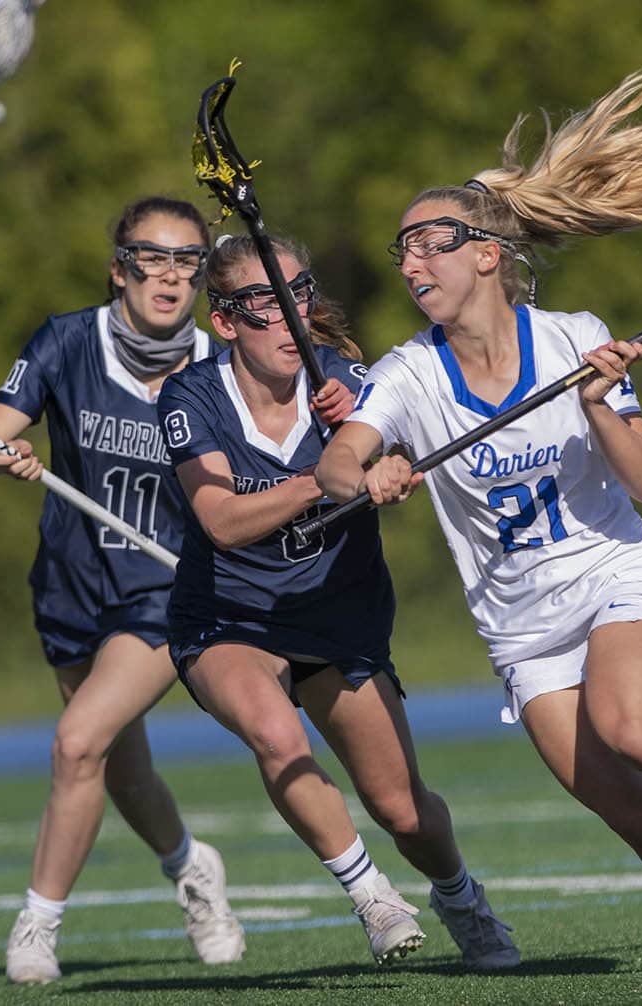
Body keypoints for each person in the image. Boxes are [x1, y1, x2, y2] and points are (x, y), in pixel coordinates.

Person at [315, 69, 642, 971]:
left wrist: (600, 404)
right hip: (521, 627)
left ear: (488, 254)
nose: (410, 265)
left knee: (629, 724)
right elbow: (336, 462)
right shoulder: (407, 373)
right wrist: (365, 476)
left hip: (615, 577)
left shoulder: (573, 338)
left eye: (431, 244)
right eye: (402, 250)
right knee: (627, 811)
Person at [155, 233, 519, 971]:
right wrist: (317, 480)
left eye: (298, 294)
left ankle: (460, 897)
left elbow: (378, 456)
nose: (290, 316)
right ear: (223, 322)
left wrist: (378, 466)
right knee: (276, 736)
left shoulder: (349, 384)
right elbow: (221, 522)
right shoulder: (191, 396)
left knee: (403, 810)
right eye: (264, 303)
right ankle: (371, 897)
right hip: (231, 618)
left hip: (338, 615)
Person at [0, 196, 245, 984]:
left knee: (78, 743)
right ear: (120, 269)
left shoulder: (218, 365)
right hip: (71, 583)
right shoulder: (66, 341)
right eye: (152, 257)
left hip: (164, 591)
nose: (171, 276)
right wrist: (1, 455)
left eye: (187, 260)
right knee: (120, 768)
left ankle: (37, 925)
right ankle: (190, 866)